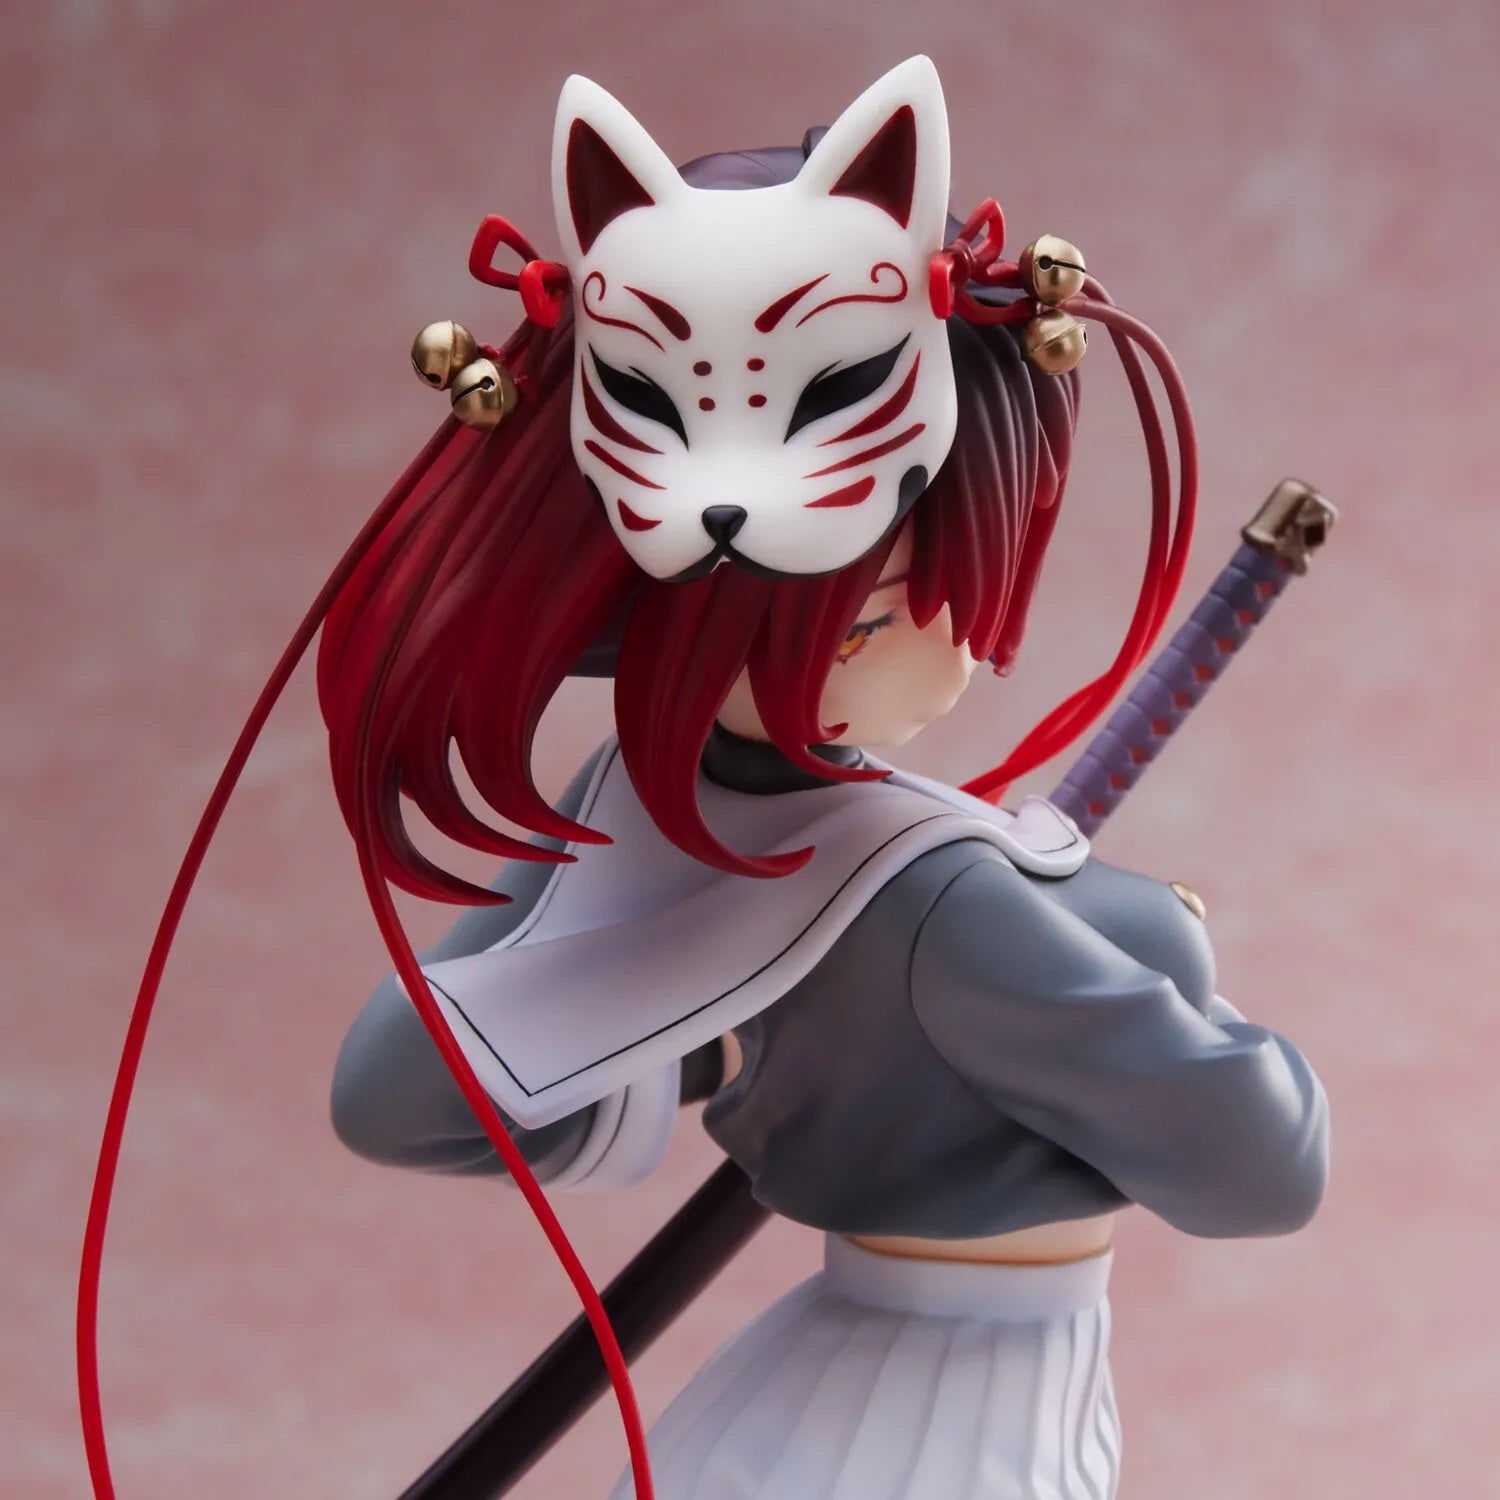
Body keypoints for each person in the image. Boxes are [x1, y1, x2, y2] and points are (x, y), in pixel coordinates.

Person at [328, 55, 1333, 1500]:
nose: (961, 633)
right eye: (886, 608)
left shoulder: (649, 806)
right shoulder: (933, 907)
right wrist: (1168, 961)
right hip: (961, 1415)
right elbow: (1258, 1166)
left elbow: (395, 1086)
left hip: (822, 1367)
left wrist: (697, 1038)